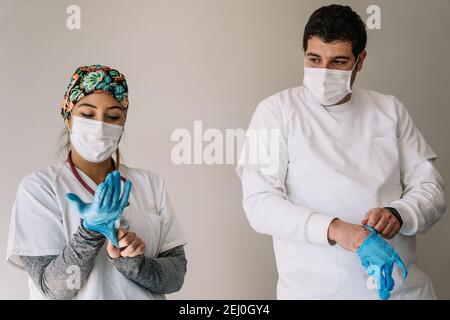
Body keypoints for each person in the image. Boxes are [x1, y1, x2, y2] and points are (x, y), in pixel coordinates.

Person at [236, 5, 446, 299]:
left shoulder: (389, 110)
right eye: (314, 59)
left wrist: (399, 213)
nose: (323, 72)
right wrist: (335, 229)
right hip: (315, 291)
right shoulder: (275, 112)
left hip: (401, 290)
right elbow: (260, 204)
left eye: (337, 61)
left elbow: (431, 190)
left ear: (360, 61)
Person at [6, 64, 188, 300]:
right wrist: (90, 231)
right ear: (68, 117)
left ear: (123, 125)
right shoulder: (39, 189)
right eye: (88, 114)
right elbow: (53, 288)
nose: (101, 126)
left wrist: (135, 264)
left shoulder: (150, 184)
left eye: (113, 116)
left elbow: (176, 277)